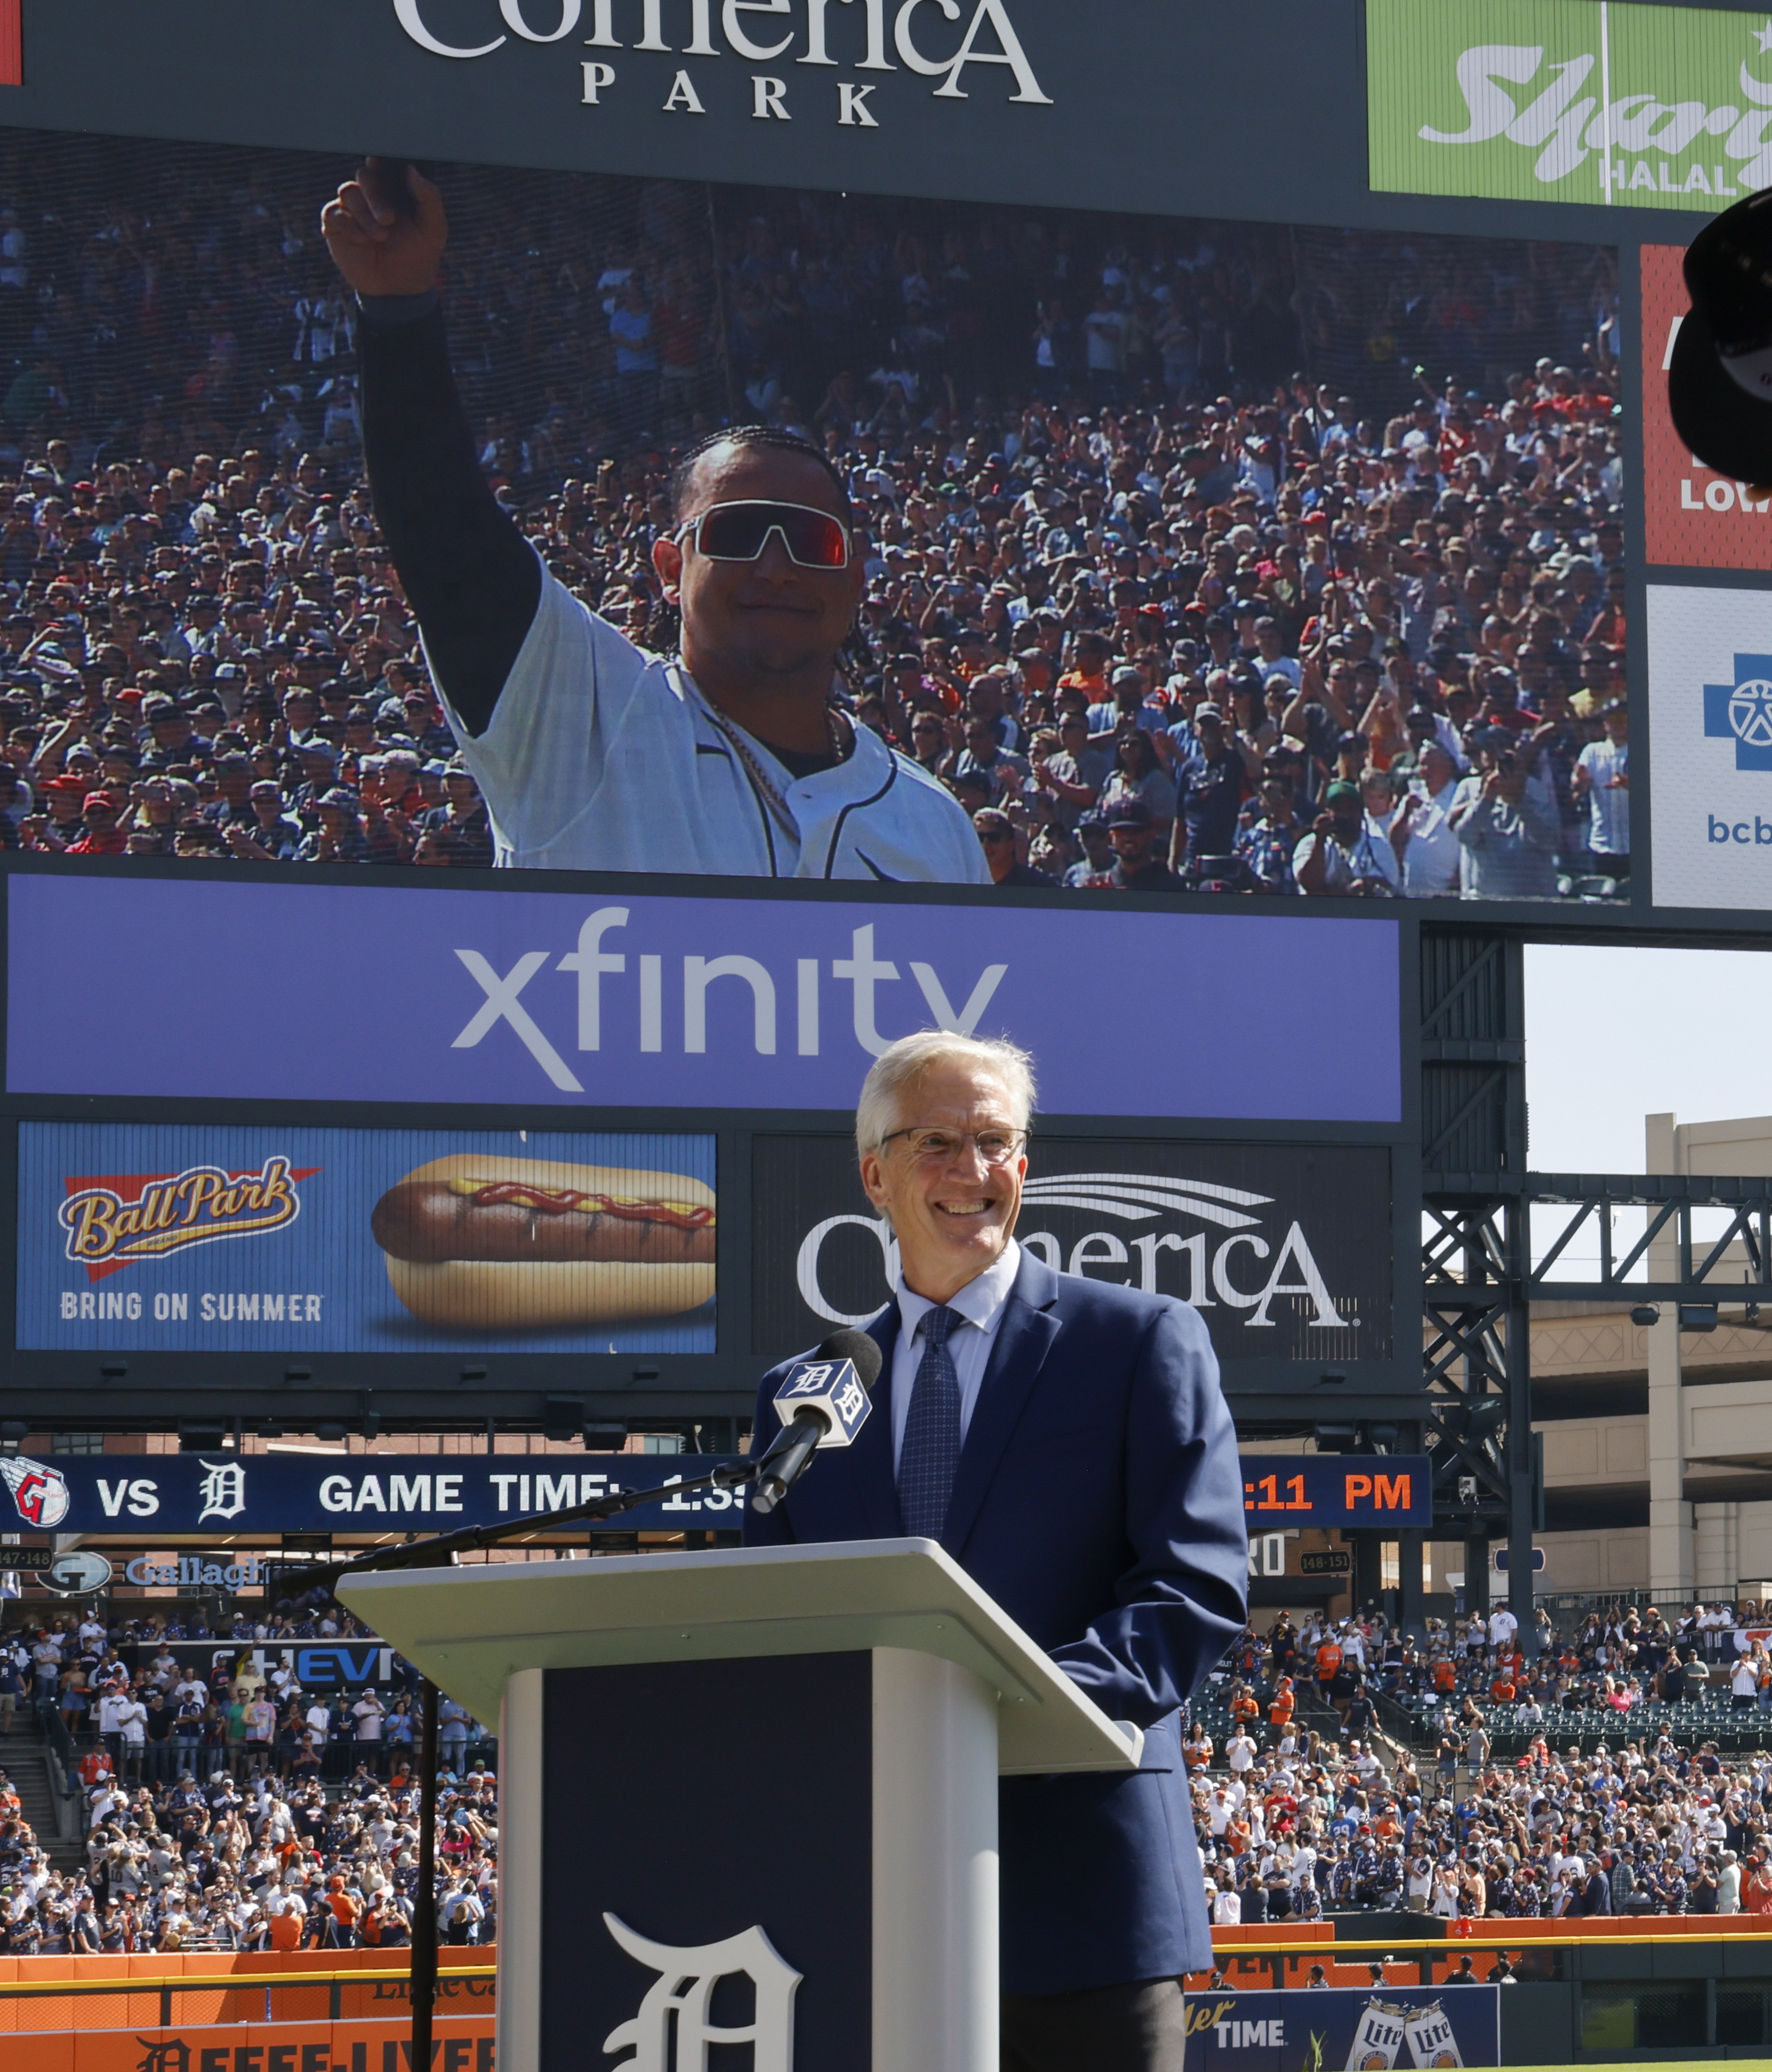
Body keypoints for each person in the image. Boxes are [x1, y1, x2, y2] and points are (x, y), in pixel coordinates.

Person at [746, 1028, 1248, 2071]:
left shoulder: (1139, 1341)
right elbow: (772, 1626)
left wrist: (1002, 1711)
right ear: (873, 1174)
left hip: (1085, 1910)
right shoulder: (805, 1398)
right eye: (938, 1142)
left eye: (996, 1141)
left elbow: (1192, 1587)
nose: (972, 1172)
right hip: (860, 1917)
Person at [319, 162, 982, 881]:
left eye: (811, 540)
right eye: (735, 533)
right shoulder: (583, 719)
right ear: (670, 568)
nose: (776, 566)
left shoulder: (934, 823)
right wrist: (397, 312)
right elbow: (446, 538)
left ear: (855, 573)